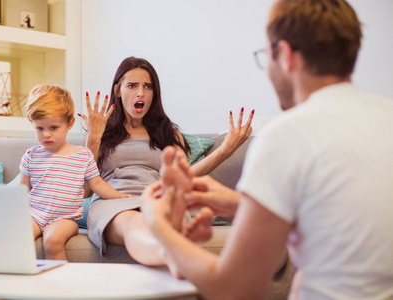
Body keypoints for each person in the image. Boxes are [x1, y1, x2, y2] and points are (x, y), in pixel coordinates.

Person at [140, 0, 393, 299]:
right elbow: (342, 219)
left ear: (284, 55)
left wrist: (158, 226)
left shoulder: (287, 135)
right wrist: (242, 205)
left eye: (265, 56)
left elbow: (235, 288)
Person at [77, 56, 254, 266]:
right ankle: (175, 255)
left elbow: (183, 176)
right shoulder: (100, 131)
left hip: (157, 197)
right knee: (135, 224)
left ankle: (174, 250)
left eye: (148, 86)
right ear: (118, 90)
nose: (140, 92)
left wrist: (224, 151)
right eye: (132, 85)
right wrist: (94, 137)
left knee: (162, 219)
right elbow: (84, 191)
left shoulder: (168, 133)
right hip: (113, 202)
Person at [20, 85, 129, 261]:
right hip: (35, 214)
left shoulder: (83, 155)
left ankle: (58, 287)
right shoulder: (31, 155)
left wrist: (118, 197)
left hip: (65, 219)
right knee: (17, 236)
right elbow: (21, 191)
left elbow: (97, 184)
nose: (46, 134)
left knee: (52, 240)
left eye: (53, 127)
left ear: (69, 123)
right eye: (39, 128)